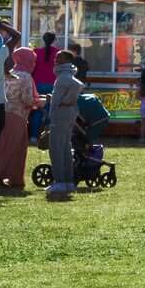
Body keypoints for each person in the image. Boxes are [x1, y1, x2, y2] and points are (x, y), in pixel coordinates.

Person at [45, 54, 85, 198]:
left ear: (67, 61)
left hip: (61, 115)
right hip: (66, 114)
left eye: (59, 58)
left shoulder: (64, 76)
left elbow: (77, 85)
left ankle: (60, 181)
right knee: (65, 148)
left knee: (56, 148)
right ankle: (68, 181)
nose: (56, 60)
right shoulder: (64, 74)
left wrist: (65, 101)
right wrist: (55, 98)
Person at [0, 48, 30, 192]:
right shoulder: (26, 76)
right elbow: (27, 99)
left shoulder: (5, 72)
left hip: (3, 111)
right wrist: (40, 102)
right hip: (18, 115)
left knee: (1, 146)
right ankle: (13, 177)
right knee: (15, 149)